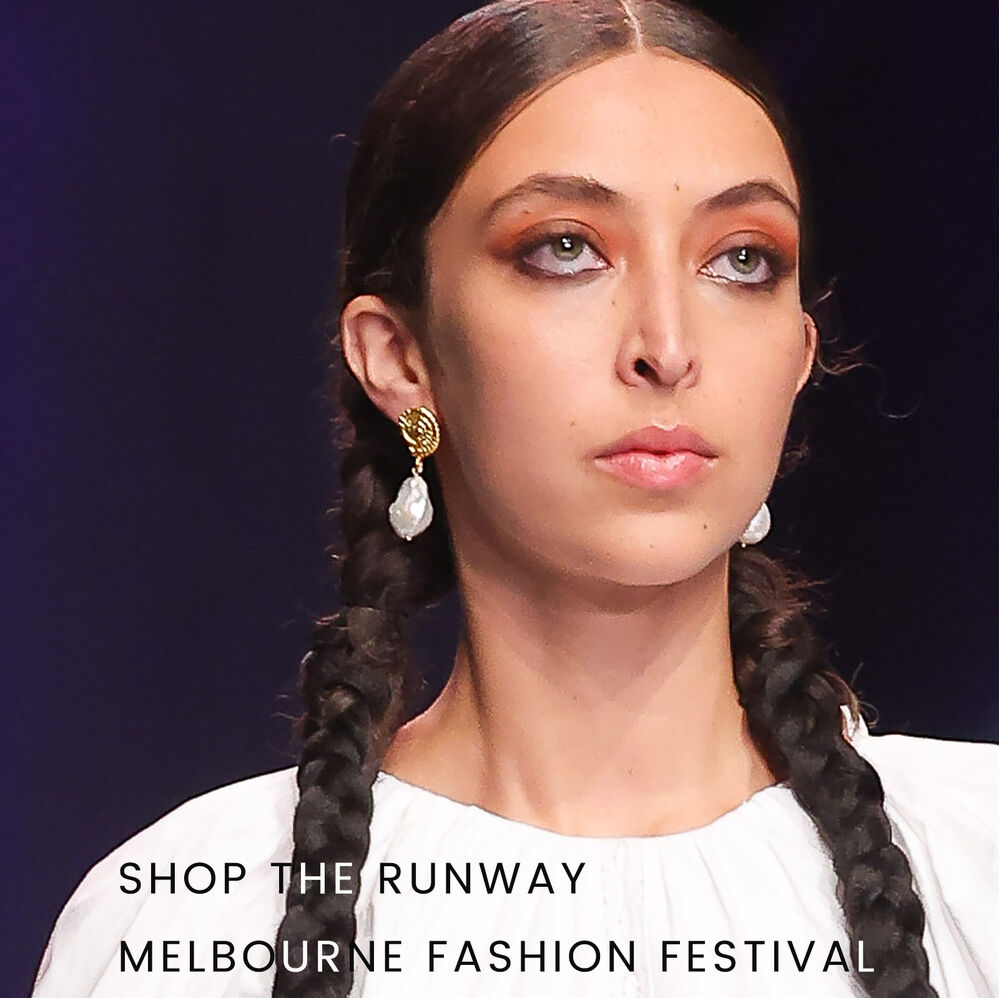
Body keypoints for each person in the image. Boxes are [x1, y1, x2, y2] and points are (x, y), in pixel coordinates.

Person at [30, 2, 999, 996]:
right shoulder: (193, 920)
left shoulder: (979, 863)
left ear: (797, 356)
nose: (668, 347)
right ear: (400, 357)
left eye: (741, 258)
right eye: (565, 248)